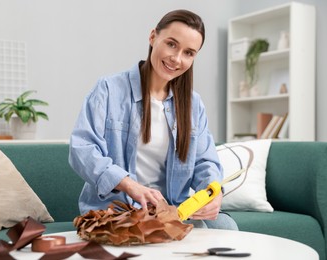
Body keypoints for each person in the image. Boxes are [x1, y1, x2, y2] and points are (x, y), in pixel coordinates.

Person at [69, 9, 238, 230]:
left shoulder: (193, 104)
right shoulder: (109, 90)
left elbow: (205, 162)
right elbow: (82, 149)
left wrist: (213, 192)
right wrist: (130, 185)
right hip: (117, 211)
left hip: (172, 211)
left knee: (226, 227)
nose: (176, 59)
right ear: (152, 37)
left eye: (189, 53)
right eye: (171, 44)